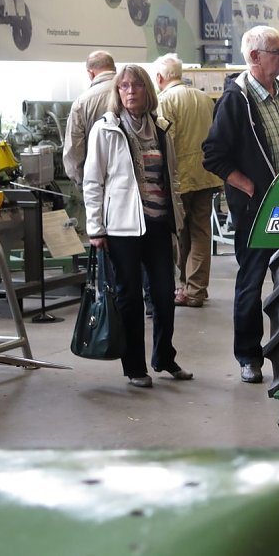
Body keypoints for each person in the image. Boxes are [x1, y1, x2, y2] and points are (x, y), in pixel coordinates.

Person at [202, 26, 279, 384]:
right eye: (276, 51)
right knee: (251, 281)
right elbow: (214, 155)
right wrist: (248, 186)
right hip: (257, 209)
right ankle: (249, 356)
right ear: (254, 57)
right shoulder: (235, 101)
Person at [83, 64, 192, 388]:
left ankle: (164, 357)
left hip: (158, 225)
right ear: (118, 93)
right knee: (129, 297)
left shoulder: (160, 128)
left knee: (163, 294)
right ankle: (134, 368)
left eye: (137, 86)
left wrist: (178, 216)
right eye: (124, 87)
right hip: (122, 228)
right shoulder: (106, 129)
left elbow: (170, 175)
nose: (130, 91)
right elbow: (93, 181)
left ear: (148, 90)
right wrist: (95, 228)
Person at [154, 53, 221, 309]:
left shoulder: (165, 101)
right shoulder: (204, 98)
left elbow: (164, 141)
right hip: (206, 175)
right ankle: (196, 290)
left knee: (180, 233)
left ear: (160, 77)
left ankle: (185, 287)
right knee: (202, 232)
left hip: (179, 178)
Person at [63, 50, 116, 185]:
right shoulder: (134, 94)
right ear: (114, 68)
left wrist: (83, 183)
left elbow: (74, 151)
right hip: (133, 182)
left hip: (98, 182)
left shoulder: (82, 102)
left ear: (90, 73)